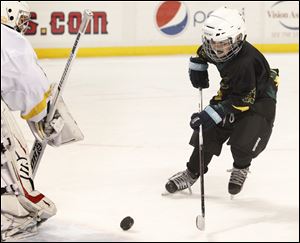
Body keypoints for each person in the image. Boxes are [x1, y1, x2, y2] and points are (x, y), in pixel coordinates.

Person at [165, 6, 279, 196]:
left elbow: (245, 100)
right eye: (212, 43)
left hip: (258, 102)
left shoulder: (246, 62)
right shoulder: (219, 47)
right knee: (206, 133)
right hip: (235, 92)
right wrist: (198, 63)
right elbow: (204, 52)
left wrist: (213, 113)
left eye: (222, 44)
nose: (216, 49)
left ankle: (241, 167)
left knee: (243, 142)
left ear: (237, 39)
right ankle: (192, 172)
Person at [1, 1, 83, 240]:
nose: (24, 26)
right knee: (8, 148)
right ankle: (9, 216)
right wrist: (48, 120)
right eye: (22, 19)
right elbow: (31, 90)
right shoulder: (9, 40)